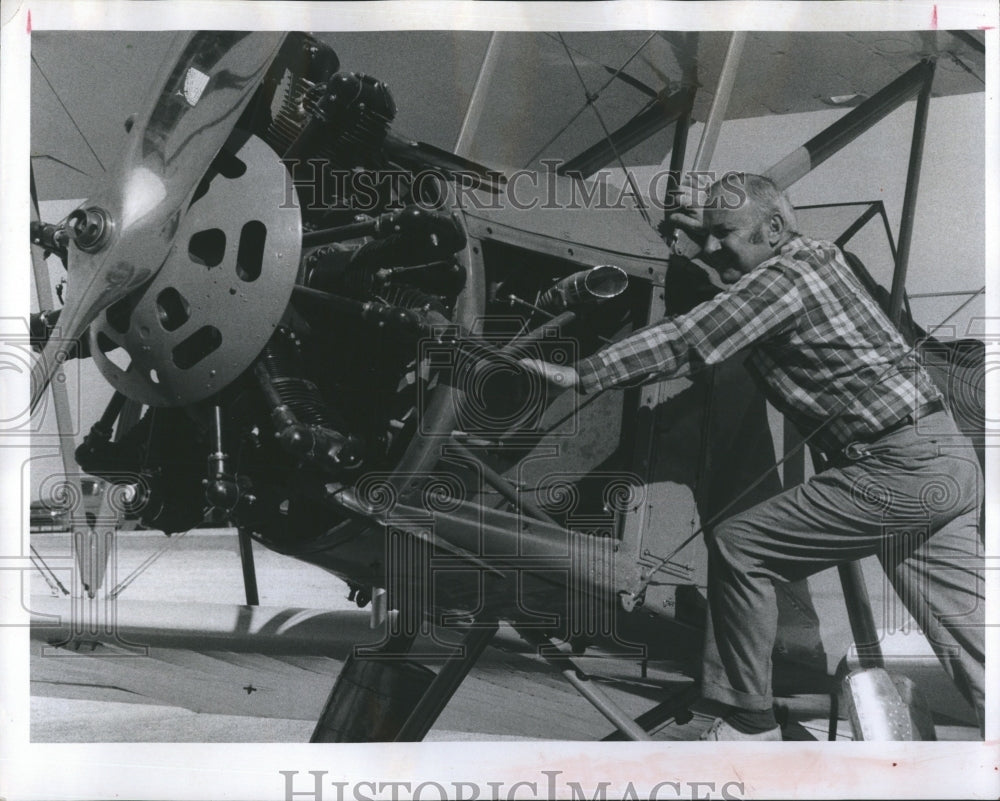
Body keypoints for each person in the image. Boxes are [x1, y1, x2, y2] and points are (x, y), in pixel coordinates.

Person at [522, 173, 985, 740]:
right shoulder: (820, 257)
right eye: (709, 235)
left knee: (742, 544)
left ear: (773, 227)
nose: (715, 247)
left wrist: (580, 372)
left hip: (893, 466)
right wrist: (714, 242)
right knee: (976, 649)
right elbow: (746, 274)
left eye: (727, 234)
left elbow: (688, 339)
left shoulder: (783, 280)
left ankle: (747, 721)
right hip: (945, 461)